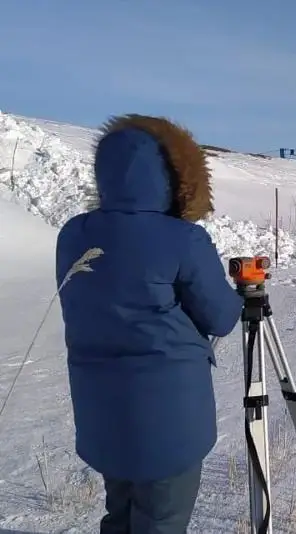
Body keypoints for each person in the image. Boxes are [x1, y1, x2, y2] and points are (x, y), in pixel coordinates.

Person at [55, 114, 244, 533]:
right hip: (168, 424)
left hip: (101, 413)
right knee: (161, 521)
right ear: (180, 176)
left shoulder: (73, 234)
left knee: (119, 514)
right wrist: (241, 295)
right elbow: (221, 317)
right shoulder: (183, 239)